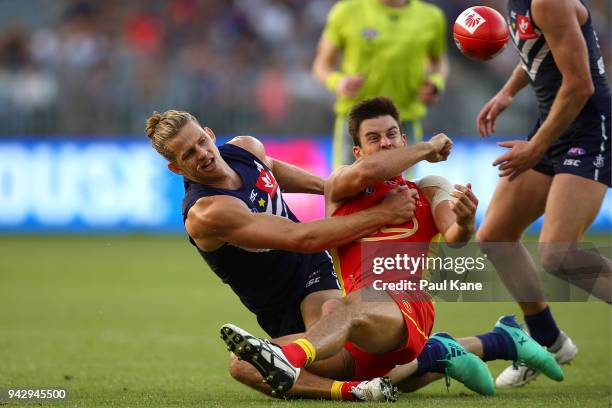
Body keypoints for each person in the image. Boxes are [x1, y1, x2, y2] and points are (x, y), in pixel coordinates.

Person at [221, 97, 563, 400]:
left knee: (342, 307)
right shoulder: (341, 185)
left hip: (406, 313)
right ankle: (358, 389)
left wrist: (467, 220)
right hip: (352, 334)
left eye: (391, 135)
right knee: (243, 364)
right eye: (373, 138)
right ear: (358, 152)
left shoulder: (430, 188)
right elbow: (369, 172)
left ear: (403, 138)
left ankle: (293, 357)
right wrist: (428, 148)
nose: (385, 143)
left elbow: (456, 236)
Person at [144, 109, 449, 401]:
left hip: (313, 272)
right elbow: (301, 237)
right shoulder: (208, 211)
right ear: (176, 168)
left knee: (344, 338)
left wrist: (336, 190)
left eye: (201, 141)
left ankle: (367, 385)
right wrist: (382, 213)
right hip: (279, 307)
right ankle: (426, 360)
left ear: (209, 133)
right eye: (189, 155)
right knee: (243, 364)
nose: (203, 154)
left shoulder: (246, 148)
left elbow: (272, 170)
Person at [475, 0, 611, 388]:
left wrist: (537, 147)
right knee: (496, 235)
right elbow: (538, 53)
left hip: (586, 128)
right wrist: (507, 93)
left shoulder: (547, 1)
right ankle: (546, 340)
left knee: (558, 253)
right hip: (553, 122)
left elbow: (581, 84)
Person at [312, 0, 448, 168]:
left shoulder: (431, 17)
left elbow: (439, 61)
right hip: (356, 122)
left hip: (403, 123)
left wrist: (436, 82)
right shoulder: (346, 11)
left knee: (402, 191)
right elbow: (321, 65)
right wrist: (338, 81)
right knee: (346, 189)